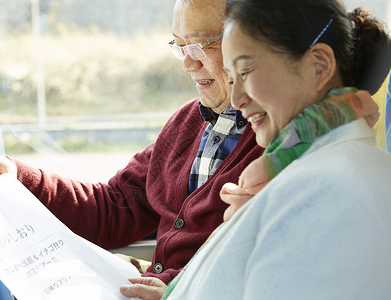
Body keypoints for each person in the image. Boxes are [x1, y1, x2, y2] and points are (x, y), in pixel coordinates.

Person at [119, 0, 391, 299]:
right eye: (232, 78)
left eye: (246, 72)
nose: (236, 100)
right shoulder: (303, 170)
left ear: (319, 65)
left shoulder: (317, 190)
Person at [0, 0, 263, 285]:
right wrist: (19, 177)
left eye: (198, 46)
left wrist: (177, 290)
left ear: (246, 40)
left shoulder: (276, 140)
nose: (186, 64)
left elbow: (257, 259)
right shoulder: (186, 123)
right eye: (180, 47)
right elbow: (115, 208)